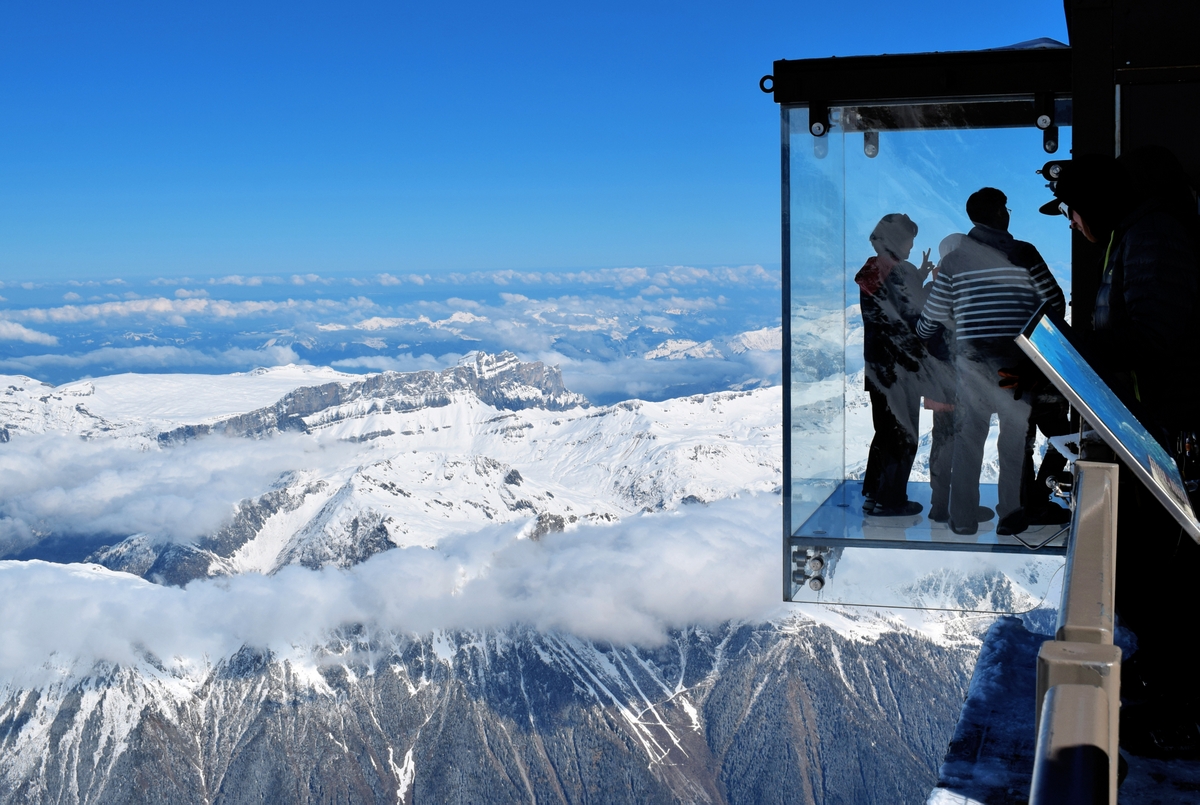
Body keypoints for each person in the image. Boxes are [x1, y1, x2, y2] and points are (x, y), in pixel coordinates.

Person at [1039, 149, 1200, 750]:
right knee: (1152, 575)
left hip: (1169, 431)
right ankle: (1166, 685)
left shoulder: (1151, 234)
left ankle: (1178, 709)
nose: (1073, 224)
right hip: (1152, 429)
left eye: (1073, 212)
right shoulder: (1134, 235)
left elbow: (1156, 338)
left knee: (1165, 578)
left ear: (1095, 205)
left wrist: (1083, 351)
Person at [916, 188, 1066, 535]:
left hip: (971, 368)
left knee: (969, 443)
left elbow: (932, 316)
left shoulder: (953, 262)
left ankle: (963, 520)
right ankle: (1010, 518)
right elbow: (1054, 302)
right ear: (1000, 215)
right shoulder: (1023, 253)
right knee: (1013, 444)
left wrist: (924, 334)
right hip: (1016, 367)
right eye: (1005, 208)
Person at [856, 213, 932, 516]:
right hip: (902, 369)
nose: (913, 246)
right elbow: (916, 316)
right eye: (910, 240)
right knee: (904, 435)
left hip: (877, 367)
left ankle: (873, 494)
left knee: (885, 432)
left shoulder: (872, 269)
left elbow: (890, 307)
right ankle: (890, 500)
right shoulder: (903, 271)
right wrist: (927, 283)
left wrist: (919, 277)